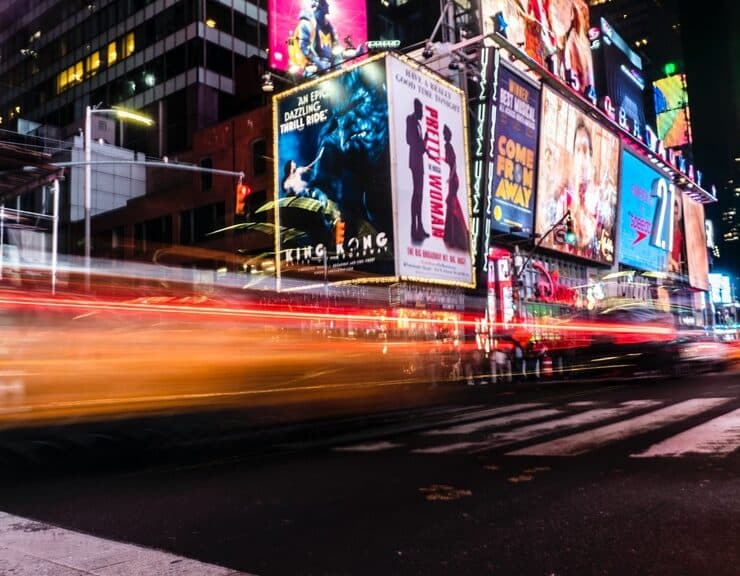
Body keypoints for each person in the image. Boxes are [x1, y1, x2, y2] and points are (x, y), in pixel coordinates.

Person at [441, 125, 469, 251]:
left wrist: (450, 177)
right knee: (452, 205)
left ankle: (455, 238)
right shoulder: (449, 146)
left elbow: (454, 165)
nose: (443, 136)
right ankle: (453, 236)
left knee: (452, 206)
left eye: (444, 134)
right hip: (454, 179)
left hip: (453, 179)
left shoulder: (448, 146)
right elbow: (451, 162)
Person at [406, 98, 429, 243]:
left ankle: (419, 225)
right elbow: (410, 140)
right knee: (417, 193)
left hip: (419, 161)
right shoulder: (410, 120)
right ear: (417, 109)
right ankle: (414, 227)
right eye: (421, 110)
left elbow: (420, 146)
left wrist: (424, 142)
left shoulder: (419, 123)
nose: (423, 114)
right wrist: (422, 143)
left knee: (419, 194)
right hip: (415, 161)